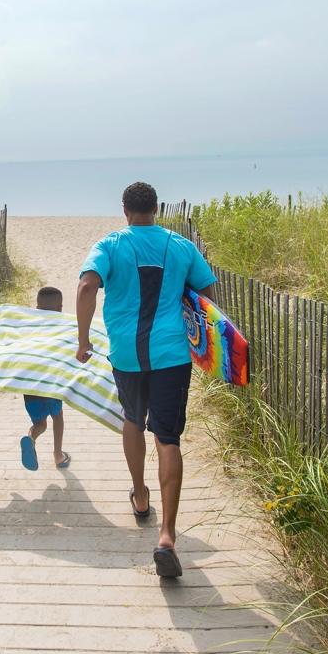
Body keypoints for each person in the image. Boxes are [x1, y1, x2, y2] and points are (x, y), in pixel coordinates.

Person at [75, 182, 217, 578]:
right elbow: (206, 291)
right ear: (156, 207)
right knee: (167, 437)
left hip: (126, 353)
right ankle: (168, 535)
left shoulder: (110, 244)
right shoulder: (182, 245)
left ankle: (140, 495)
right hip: (172, 354)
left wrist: (83, 339)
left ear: (124, 209)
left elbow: (87, 285)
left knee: (133, 419)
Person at [20, 287, 72, 471]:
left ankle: (31, 438)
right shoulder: (62, 328)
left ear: (36, 307)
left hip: (30, 386)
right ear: (60, 308)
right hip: (50, 384)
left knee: (40, 423)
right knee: (57, 416)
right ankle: (58, 456)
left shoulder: (27, 328)